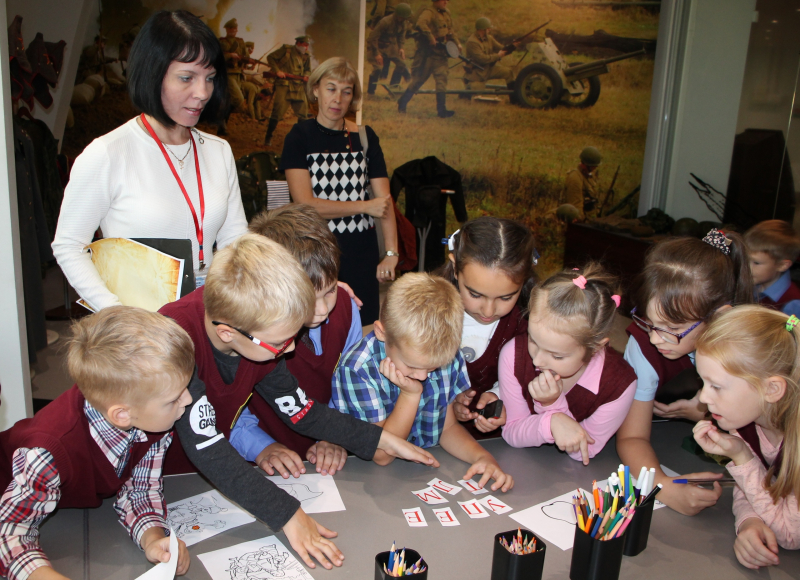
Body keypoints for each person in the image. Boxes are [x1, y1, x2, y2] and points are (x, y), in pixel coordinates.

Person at [159, 234, 439, 570]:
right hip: (164, 477)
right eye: (280, 343)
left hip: (201, 479)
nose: (289, 351)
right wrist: (288, 514)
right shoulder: (175, 343)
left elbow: (302, 410)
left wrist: (379, 439)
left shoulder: (256, 326)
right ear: (228, 334)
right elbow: (209, 450)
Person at [52, 10, 247, 312]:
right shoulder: (107, 153)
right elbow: (68, 245)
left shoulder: (218, 150)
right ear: (153, 73)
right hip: (141, 328)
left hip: (209, 317)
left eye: (209, 78)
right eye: (186, 78)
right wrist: (116, 313)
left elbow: (236, 239)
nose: (202, 93)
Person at [0, 306, 193, 580]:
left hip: (64, 509)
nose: (187, 400)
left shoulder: (149, 419)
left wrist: (152, 537)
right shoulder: (46, 452)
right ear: (122, 414)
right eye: (174, 398)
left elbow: (139, 490)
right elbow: (9, 535)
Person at [332, 272, 514, 492]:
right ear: (382, 333)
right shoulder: (357, 371)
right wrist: (410, 395)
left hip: (423, 476)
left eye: (432, 368)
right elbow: (381, 455)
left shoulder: (445, 355)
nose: (422, 376)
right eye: (412, 366)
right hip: (373, 483)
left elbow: (446, 429)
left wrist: (482, 457)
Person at [616, 228, 754, 515]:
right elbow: (632, 437)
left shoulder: (752, 352)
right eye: (649, 321)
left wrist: (705, 415)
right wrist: (662, 486)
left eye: (673, 330)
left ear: (719, 317)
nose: (655, 338)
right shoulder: (644, 346)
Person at [229, 205, 363, 477]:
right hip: (259, 460)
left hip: (327, 459)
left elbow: (351, 386)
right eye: (307, 300)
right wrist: (260, 447)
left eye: (329, 292)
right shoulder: (247, 330)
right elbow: (227, 406)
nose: (323, 310)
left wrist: (334, 435)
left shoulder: (347, 311)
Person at [281, 57, 399, 324]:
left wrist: (391, 254)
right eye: (331, 88)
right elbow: (305, 204)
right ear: (316, 90)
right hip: (315, 250)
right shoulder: (300, 136)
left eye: (346, 92)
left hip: (361, 252)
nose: (338, 99)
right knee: (314, 324)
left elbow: (384, 202)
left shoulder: (365, 137)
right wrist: (363, 206)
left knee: (362, 325)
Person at [693, 305, 800, 568]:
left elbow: (790, 534)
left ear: (772, 389)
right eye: (703, 382)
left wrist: (740, 457)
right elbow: (753, 485)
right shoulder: (746, 417)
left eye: (716, 386)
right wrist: (750, 520)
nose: (704, 398)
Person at [499, 264, 637, 464]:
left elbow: (584, 451)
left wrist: (553, 406)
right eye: (533, 340)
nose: (537, 360)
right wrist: (552, 421)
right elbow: (512, 431)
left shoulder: (619, 384)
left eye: (557, 356)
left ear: (596, 347)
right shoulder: (513, 354)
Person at [438, 218, 537, 437]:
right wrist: (447, 405)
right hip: (431, 435)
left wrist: (499, 395)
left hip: (493, 442)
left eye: (506, 297)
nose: (489, 311)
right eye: (475, 294)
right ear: (455, 267)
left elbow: (529, 377)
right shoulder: (428, 313)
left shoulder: (529, 324)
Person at [397, 0, 460, 118]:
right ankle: (402, 102)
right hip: (428, 54)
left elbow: (450, 31)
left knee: (441, 80)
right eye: (443, 0)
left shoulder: (446, 13)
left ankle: (441, 111)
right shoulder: (429, 12)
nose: (446, 2)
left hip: (441, 53)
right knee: (418, 81)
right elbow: (421, 23)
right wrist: (431, 37)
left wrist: (457, 43)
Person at [745, 220, 800, 317]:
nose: (746, 267)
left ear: (782, 265)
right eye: (745, 259)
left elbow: (792, 331)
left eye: (756, 263)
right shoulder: (751, 286)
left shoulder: (792, 304)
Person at [264, 36, 311, 146]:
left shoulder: (306, 56)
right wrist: (277, 71)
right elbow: (270, 57)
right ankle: (268, 138)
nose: (306, 47)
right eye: (304, 45)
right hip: (284, 85)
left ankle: (301, 140)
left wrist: (306, 75)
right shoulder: (287, 50)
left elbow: (308, 69)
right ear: (298, 43)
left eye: (307, 45)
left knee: (303, 114)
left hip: (298, 87)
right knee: (277, 112)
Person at [367, 3, 412, 94]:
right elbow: (372, 38)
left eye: (405, 18)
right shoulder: (385, 22)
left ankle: (393, 88)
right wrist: (376, 54)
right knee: (378, 69)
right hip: (376, 46)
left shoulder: (403, 23)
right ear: (397, 15)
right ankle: (371, 92)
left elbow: (401, 37)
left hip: (390, 47)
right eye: (402, 17)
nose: (403, 19)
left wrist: (401, 48)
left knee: (401, 64)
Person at [462, 18, 515, 96]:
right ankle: (467, 89)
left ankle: (514, 98)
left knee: (508, 72)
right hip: (478, 73)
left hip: (488, 69)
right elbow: (482, 59)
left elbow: (502, 49)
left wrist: (513, 46)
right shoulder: (472, 42)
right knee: (476, 94)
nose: (489, 29)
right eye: (488, 28)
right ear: (482, 29)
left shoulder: (489, 38)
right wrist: (498, 55)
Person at [217, 18, 248, 135]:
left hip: (238, 74)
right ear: (226, 29)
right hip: (227, 74)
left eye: (234, 29)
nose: (233, 30)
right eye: (230, 28)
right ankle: (220, 120)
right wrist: (230, 55)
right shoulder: (222, 42)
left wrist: (246, 60)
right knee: (238, 99)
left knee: (229, 101)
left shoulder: (240, 41)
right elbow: (217, 57)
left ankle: (222, 125)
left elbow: (246, 55)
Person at [564, 147, 602, 219]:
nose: (596, 167)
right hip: (581, 219)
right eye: (594, 165)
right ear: (588, 164)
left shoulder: (589, 176)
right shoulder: (575, 178)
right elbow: (575, 206)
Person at [241, 41, 265, 121]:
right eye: (251, 49)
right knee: (251, 100)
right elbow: (242, 70)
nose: (252, 51)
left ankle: (258, 117)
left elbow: (246, 69)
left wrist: (252, 66)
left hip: (245, 79)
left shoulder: (245, 57)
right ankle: (253, 117)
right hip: (240, 80)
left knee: (256, 99)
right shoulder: (242, 57)